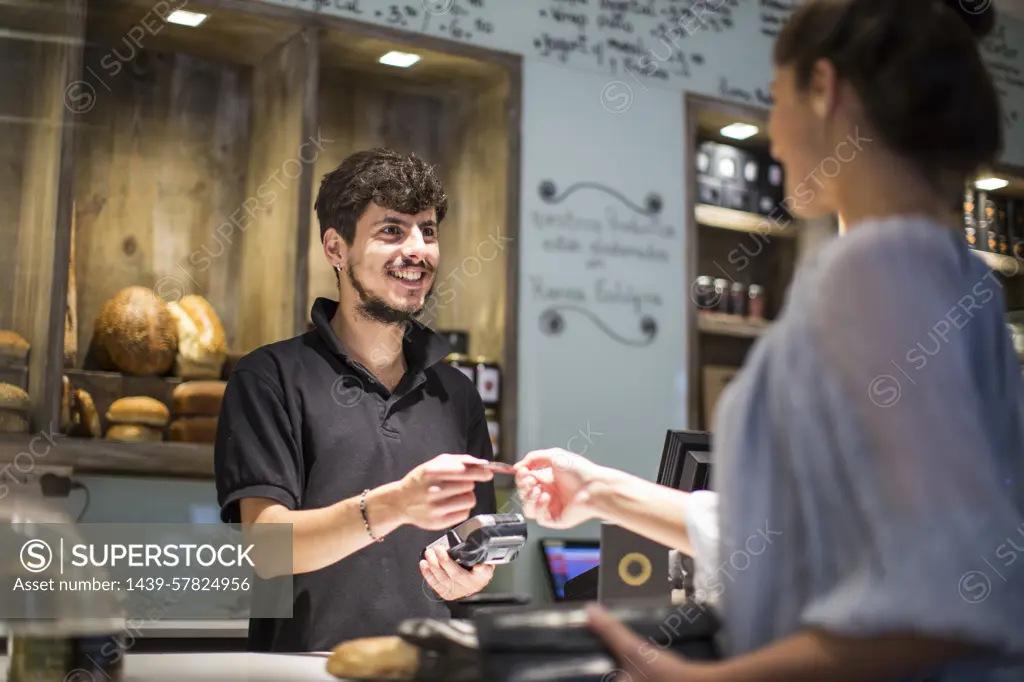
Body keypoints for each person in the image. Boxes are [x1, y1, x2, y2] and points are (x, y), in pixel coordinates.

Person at [516, 1, 1024, 681]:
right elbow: (804, 545)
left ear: (825, 88)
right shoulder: (963, 279)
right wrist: (602, 490)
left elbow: (934, 603)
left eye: (774, 98)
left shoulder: (878, 270)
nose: (773, 136)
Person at [214, 148, 498, 653]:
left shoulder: (458, 394)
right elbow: (268, 548)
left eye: (427, 231)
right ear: (336, 248)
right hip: (307, 669)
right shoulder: (269, 378)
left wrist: (474, 575)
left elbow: (473, 550)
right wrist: (395, 505)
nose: (418, 250)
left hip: (432, 668)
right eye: (392, 230)